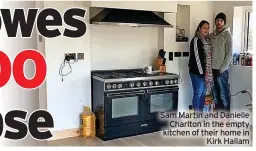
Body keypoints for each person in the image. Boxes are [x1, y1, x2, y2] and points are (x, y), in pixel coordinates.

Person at [188, 20, 214, 112]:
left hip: (205, 73)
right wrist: (202, 73)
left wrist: (207, 73)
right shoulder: (196, 40)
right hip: (196, 72)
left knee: (203, 95)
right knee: (198, 94)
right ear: (199, 28)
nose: (206, 30)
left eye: (208, 28)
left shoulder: (207, 40)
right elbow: (197, 58)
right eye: (204, 28)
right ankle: (196, 116)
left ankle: (200, 115)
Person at [210, 12, 232, 111]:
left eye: (221, 21)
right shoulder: (212, 35)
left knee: (224, 96)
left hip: (222, 72)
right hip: (212, 70)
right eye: (217, 20)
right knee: (215, 95)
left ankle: (226, 120)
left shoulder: (227, 35)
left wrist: (222, 69)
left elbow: (229, 54)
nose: (219, 22)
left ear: (224, 22)